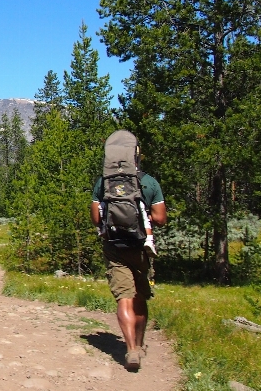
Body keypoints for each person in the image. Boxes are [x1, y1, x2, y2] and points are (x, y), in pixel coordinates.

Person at [90, 142, 166, 371]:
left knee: (123, 297)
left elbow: (96, 219)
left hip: (114, 247)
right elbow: (161, 218)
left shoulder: (103, 182)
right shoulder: (148, 182)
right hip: (141, 247)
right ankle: (140, 344)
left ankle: (130, 348)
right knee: (140, 297)